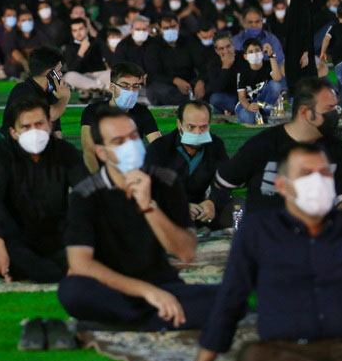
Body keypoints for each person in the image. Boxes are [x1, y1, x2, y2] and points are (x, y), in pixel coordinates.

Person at [152, 143, 342, 361]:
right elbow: (230, 301)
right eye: (306, 174)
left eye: (324, 173)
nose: (317, 181)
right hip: (289, 351)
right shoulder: (258, 231)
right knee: (253, 359)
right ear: (282, 185)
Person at [57, 105, 217, 330]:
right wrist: (147, 292)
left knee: (227, 298)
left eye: (133, 137)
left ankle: (114, 323)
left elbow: (186, 252)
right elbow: (80, 263)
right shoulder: (85, 194)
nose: (130, 146)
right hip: (110, 285)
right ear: (102, 152)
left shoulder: (166, 181)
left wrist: (149, 208)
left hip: (161, 281)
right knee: (72, 291)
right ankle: (158, 317)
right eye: (119, 141)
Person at [216, 78, 342, 241]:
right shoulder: (264, 144)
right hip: (271, 235)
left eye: (336, 107)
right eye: (329, 108)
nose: (335, 114)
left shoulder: (336, 147)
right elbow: (224, 180)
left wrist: (341, 225)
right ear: (305, 112)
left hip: (321, 235)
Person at [0, 97, 88, 283]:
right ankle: (66, 270)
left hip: (57, 235)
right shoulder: (0, 153)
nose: (34, 131)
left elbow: (87, 192)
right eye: (26, 127)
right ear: (14, 132)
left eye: (39, 124)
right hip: (14, 235)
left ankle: (63, 268)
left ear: (50, 125)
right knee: (6, 260)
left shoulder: (65, 151)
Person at [145, 101, 233, 229]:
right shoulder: (159, 148)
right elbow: (148, 189)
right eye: (191, 127)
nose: (197, 133)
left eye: (203, 127)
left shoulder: (215, 146)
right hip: (168, 211)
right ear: (179, 124)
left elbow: (224, 179)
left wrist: (212, 202)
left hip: (202, 211)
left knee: (238, 207)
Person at [80, 62, 161, 172]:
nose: (131, 91)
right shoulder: (93, 111)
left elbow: (158, 146)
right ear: (112, 88)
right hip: (103, 172)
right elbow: (89, 151)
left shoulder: (142, 112)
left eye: (135, 86)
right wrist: (99, 178)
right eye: (125, 86)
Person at [1, 46, 70, 137]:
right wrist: (65, 98)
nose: (61, 75)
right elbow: (49, 115)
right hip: (15, 143)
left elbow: (56, 130)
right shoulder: (23, 90)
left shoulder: (50, 92)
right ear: (50, 73)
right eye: (59, 71)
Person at [146, 12, 206, 105]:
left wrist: (201, 81)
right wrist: (175, 80)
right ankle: (190, 102)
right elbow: (153, 74)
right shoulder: (153, 45)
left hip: (189, 83)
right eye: (166, 28)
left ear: (178, 26)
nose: (170, 30)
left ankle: (190, 100)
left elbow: (203, 65)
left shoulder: (189, 41)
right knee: (155, 90)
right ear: (160, 29)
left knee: (208, 85)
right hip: (166, 85)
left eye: (173, 26)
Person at [234, 37, 286, 124]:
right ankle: (264, 118)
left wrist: (271, 55)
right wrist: (248, 106)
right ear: (245, 56)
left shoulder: (268, 65)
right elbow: (241, 97)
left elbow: (277, 78)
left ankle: (266, 114)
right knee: (246, 117)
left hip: (263, 103)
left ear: (262, 52)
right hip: (248, 103)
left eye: (257, 50)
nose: (255, 54)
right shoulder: (242, 72)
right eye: (251, 52)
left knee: (276, 85)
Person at [62, 18, 111, 93]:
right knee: (69, 76)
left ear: (86, 29)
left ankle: (96, 88)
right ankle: (101, 88)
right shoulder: (69, 47)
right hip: (82, 77)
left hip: (100, 75)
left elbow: (109, 58)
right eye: (75, 30)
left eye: (80, 29)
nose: (78, 33)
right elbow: (72, 70)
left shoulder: (97, 41)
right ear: (72, 32)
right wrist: (81, 52)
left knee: (114, 74)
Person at [206, 32, 243, 115]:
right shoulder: (213, 64)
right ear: (216, 51)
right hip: (228, 99)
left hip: (245, 97)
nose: (226, 51)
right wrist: (226, 67)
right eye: (221, 49)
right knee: (215, 99)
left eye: (228, 47)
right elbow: (216, 89)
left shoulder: (243, 57)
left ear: (233, 45)